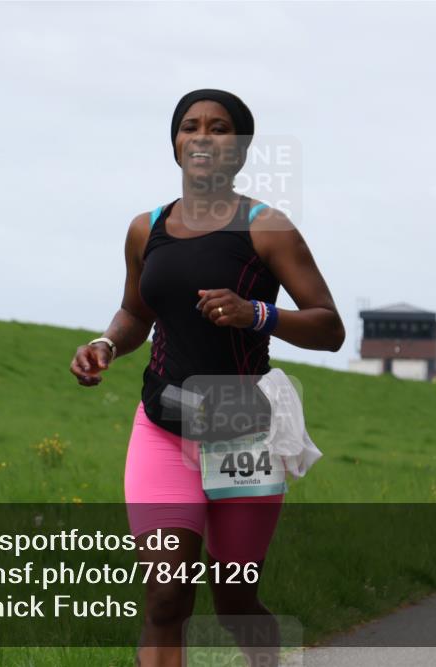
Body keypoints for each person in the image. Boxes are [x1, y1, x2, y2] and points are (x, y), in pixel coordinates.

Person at [69, 89, 345, 667]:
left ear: (240, 148)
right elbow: (135, 313)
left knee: (235, 600)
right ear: (174, 143)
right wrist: (104, 344)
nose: (202, 137)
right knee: (167, 599)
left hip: (242, 430)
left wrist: (256, 313)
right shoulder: (146, 229)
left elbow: (329, 328)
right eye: (190, 126)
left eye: (219, 128)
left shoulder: (267, 228)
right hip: (162, 425)